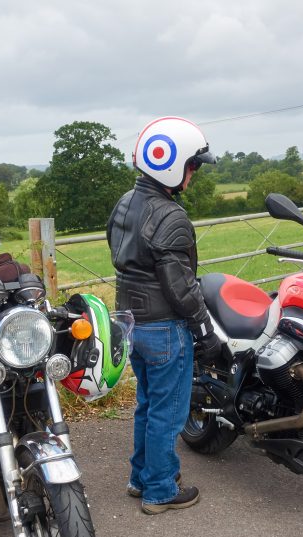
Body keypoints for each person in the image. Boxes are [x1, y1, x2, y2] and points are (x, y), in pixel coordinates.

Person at [107, 116, 218, 515]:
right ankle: (160, 490)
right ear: (172, 165)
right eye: (192, 165)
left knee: (147, 405)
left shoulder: (125, 202)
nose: (194, 173)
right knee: (168, 414)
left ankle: (141, 478)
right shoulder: (171, 216)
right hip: (164, 327)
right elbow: (181, 287)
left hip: (130, 322)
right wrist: (205, 330)